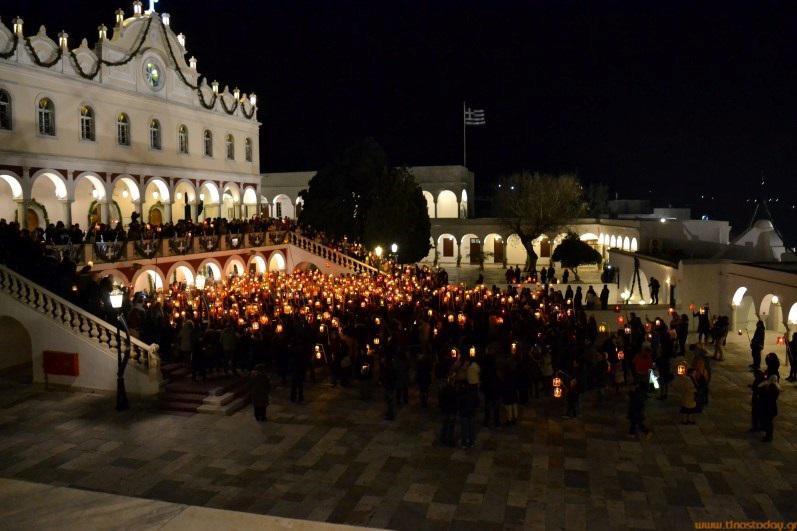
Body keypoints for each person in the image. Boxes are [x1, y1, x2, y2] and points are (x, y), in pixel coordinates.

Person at [758, 375, 780, 442]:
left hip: (769, 409)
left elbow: (760, 389)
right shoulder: (776, 387)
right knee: (769, 423)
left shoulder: (772, 388)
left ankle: (768, 436)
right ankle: (768, 435)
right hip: (772, 408)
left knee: (768, 423)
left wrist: (764, 384)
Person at [457, 382, 478, 448]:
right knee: (471, 429)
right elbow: (477, 403)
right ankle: (472, 442)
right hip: (471, 413)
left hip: (464, 414)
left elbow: (458, 403)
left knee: (464, 429)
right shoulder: (473, 394)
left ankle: (464, 443)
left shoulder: (461, 395)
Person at [438, 378, 458, 447]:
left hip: (445, 410)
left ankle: (443, 438)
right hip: (452, 410)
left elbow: (440, 401)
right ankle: (450, 440)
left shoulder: (443, 391)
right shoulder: (454, 391)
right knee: (451, 426)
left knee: (445, 425)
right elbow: (456, 402)